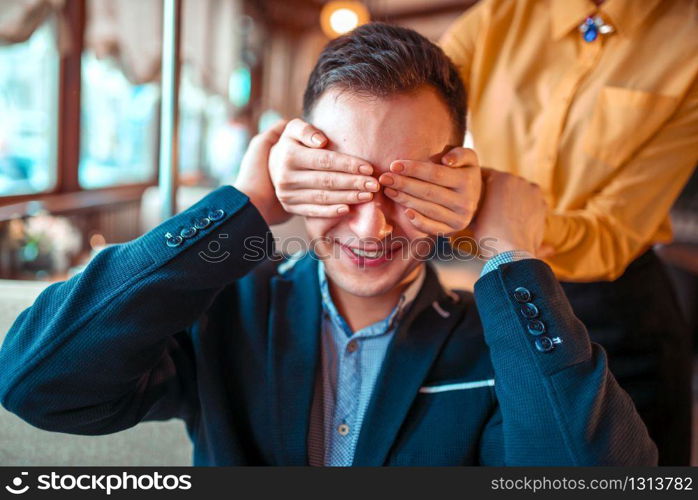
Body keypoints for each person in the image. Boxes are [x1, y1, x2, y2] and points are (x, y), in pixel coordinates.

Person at [0, 24, 656, 466]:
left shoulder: (490, 346)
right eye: (342, 182)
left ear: (453, 177)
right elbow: (35, 381)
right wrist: (246, 206)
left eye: (405, 188)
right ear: (301, 168)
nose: (370, 229)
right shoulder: (228, 315)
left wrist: (514, 255)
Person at [273, 1, 698, 465]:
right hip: (498, 284)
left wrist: (500, 224)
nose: (370, 226)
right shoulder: (501, 16)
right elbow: (405, 96)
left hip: (616, 308)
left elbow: (614, 231)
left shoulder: (689, 44)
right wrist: (277, 154)